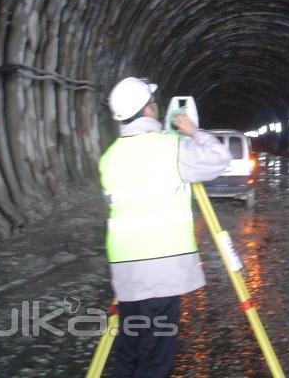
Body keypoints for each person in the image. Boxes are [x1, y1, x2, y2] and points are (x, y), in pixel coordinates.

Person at [99, 77, 232, 377]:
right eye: (152, 102)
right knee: (156, 354)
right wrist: (192, 132)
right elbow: (220, 158)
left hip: (125, 271)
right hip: (162, 270)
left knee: (129, 347)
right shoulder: (172, 148)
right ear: (147, 110)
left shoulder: (109, 157)